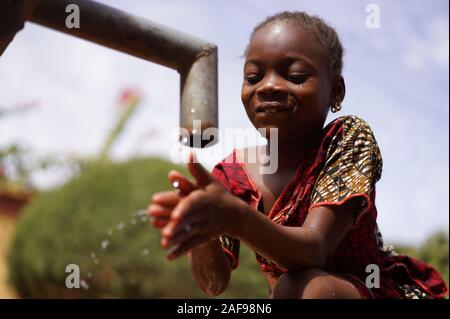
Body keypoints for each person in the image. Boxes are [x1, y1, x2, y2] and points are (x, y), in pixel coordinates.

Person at [148, 11, 448, 299]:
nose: (268, 86)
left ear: (336, 92)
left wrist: (237, 219)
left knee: (302, 287)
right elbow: (214, 284)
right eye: (253, 77)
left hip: (370, 291)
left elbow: (314, 250)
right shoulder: (231, 175)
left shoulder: (346, 139)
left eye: (295, 75)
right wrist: (203, 236)